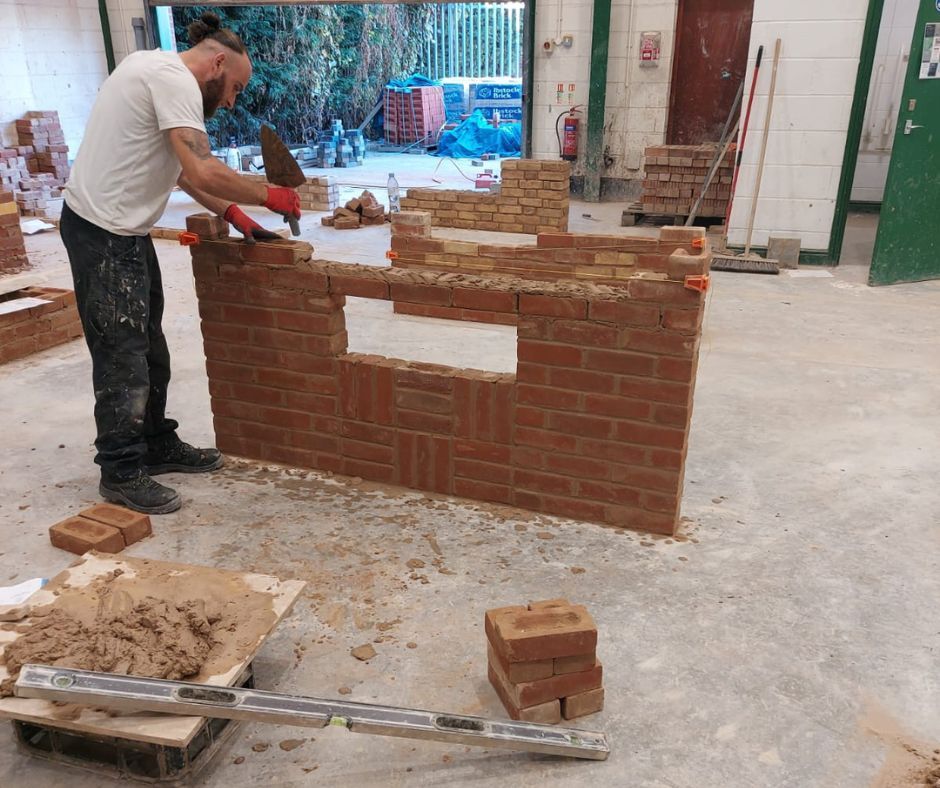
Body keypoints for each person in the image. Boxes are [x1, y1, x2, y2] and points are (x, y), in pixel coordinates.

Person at [60, 12, 300, 514]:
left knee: (149, 344)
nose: (232, 100)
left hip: (124, 229)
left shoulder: (154, 69)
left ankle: (155, 442)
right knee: (122, 353)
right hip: (101, 232)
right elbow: (202, 166)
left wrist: (234, 213)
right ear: (216, 63)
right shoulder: (173, 80)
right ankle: (121, 472)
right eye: (234, 87)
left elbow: (179, 170)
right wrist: (268, 194)